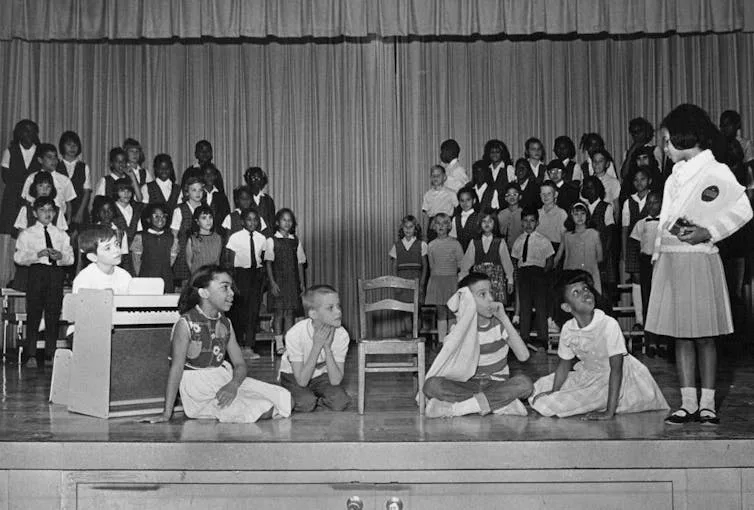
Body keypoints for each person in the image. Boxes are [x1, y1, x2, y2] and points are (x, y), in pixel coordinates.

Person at [647, 104, 752, 425]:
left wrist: (710, 231)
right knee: (681, 335)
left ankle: (707, 403)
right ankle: (687, 401)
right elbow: (666, 220)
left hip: (701, 260)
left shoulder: (715, 170)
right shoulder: (672, 177)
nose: (664, 148)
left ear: (683, 137)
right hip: (673, 261)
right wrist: (658, 254)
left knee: (705, 335)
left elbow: (744, 208)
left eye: (666, 141)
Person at [146, 265, 291, 423]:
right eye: (225, 288)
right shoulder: (185, 323)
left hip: (224, 378)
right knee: (265, 408)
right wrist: (167, 413)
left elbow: (240, 365)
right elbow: (176, 369)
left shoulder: (226, 323)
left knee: (286, 398)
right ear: (204, 292)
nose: (232, 293)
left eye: (231, 288)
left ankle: (243, 400)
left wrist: (233, 385)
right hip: (200, 389)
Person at [530, 270, 668, 418]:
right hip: (590, 375)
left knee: (552, 405)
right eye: (576, 293)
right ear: (567, 307)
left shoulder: (608, 324)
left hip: (620, 380)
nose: (585, 293)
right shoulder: (568, 329)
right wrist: (554, 390)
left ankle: (609, 403)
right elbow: (564, 365)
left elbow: (617, 369)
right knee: (540, 387)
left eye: (585, 289)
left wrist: (609, 412)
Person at [423, 272, 533, 418]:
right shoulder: (459, 329)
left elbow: (524, 356)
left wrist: (504, 318)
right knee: (431, 385)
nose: (490, 299)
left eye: (491, 293)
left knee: (525, 384)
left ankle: (459, 409)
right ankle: (498, 404)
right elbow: (447, 363)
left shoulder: (499, 324)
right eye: (482, 294)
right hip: (467, 384)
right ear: (467, 300)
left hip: (496, 384)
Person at [13, 196, 74, 367]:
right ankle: (31, 355)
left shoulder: (61, 234)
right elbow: (18, 257)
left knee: (53, 314)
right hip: (36, 273)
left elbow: (70, 258)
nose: (47, 214)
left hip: (55, 273)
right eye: (42, 210)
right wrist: (36, 255)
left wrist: (60, 256)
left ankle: (50, 355)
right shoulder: (27, 233)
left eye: (50, 210)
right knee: (34, 313)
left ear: (55, 213)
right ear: (34, 213)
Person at [278, 285, 351, 412]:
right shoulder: (295, 334)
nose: (338, 311)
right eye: (330, 308)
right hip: (294, 376)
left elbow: (335, 381)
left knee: (340, 402)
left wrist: (327, 348)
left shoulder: (342, 335)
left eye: (338, 306)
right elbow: (301, 381)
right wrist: (317, 346)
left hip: (320, 376)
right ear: (313, 313)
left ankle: (313, 398)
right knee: (306, 403)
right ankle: (297, 395)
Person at [225, 208, 267, 360]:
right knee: (238, 312)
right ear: (242, 221)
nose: (252, 222)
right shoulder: (235, 238)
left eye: (255, 220)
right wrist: (232, 281)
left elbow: (264, 259)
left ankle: (249, 346)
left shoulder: (262, 238)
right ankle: (237, 347)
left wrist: (263, 280)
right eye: (249, 219)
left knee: (252, 312)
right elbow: (229, 261)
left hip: (255, 276)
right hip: (239, 275)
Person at [511, 207, 554, 352]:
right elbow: (515, 260)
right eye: (525, 221)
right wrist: (517, 275)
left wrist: (543, 273)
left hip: (538, 273)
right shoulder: (518, 241)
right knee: (525, 306)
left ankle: (542, 339)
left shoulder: (543, 240)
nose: (528, 224)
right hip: (523, 274)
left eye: (532, 221)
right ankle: (524, 338)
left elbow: (549, 259)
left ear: (537, 223)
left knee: (541, 307)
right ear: (521, 223)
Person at [265, 208, 307, 355]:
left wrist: (301, 283)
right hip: (278, 281)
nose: (287, 222)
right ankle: (279, 343)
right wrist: (272, 283)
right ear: (277, 222)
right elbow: (268, 263)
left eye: (290, 220)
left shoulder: (295, 241)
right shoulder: (271, 240)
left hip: (292, 282)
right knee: (279, 313)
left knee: (290, 313)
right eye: (284, 219)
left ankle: (289, 344)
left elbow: (300, 263)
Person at [630, 191, 663, 357]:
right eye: (648, 203)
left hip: (662, 263)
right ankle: (650, 342)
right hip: (646, 264)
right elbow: (635, 246)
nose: (651, 206)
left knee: (662, 302)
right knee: (648, 300)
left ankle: (664, 342)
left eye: (655, 202)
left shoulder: (667, 223)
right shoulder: (640, 223)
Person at [459, 211, 514, 304]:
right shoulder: (474, 242)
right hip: (479, 282)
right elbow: (465, 265)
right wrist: (462, 281)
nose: (487, 224)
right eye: (484, 221)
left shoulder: (500, 242)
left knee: (495, 309)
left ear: (495, 223)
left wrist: (510, 280)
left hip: (496, 282)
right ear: (479, 224)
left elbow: (507, 263)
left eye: (490, 221)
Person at [425, 213, 464, 343]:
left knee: (452, 311)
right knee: (440, 311)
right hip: (437, 281)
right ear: (434, 226)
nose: (441, 226)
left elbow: (461, 264)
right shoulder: (430, 245)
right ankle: (443, 341)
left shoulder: (455, 244)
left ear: (449, 226)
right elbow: (431, 266)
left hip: (451, 281)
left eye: (444, 223)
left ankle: (453, 341)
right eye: (438, 223)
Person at [389, 214, 428, 333]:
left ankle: (417, 338)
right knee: (405, 311)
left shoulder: (422, 244)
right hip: (402, 282)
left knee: (417, 311)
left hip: (416, 280)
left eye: (411, 227)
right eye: (405, 227)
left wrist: (421, 284)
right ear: (402, 228)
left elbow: (425, 266)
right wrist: (396, 284)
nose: (408, 229)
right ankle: (409, 338)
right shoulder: (397, 245)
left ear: (415, 229)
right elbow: (394, 266)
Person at [20, 143, 76, 224]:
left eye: (55, 157)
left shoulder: (64, 180)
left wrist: (68, 220)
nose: (54, 160)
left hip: (58, 220)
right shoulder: (31, 178)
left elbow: (68, 203)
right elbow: (27, 201)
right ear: (40, 160)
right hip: (36, 221)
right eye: (49, 157)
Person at [554, 202, 603, 293]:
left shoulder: (594, 234)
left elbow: (600, 257)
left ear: (587, 215)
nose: (579, 217)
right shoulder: (567, 236)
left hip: (590, 274)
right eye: (576, 214)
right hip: (572, 274)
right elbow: (558, 256)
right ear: (571, 216)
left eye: (582, 214)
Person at [581, 175, 617, 298]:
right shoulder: (581, 208)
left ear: (598, 189)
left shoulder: (606, 207)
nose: (589, 190)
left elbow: (610, 233)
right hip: (585, 255)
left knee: (604, 290)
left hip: (602, 255)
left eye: (592, 188)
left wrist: (604, 255)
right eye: (586, 188)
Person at [72, 224, 133, 294]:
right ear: (93, 257)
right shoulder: (84, 280)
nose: (116, 250)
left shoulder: (124, 276)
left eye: (116, 244)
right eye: (108, 248)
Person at [131, 203, 178, 293]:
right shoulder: (140, 237)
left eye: (163, 216)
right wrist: (141, 278)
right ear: (148, 219)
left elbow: (172, 259)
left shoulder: (171, 238)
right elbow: (136, 261)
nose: (160, 219)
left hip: (166, 278)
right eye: (156, 216)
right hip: (146, 278)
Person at [170, 175, 206, 286]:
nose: (197, 193)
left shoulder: (206, 209)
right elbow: (174, 234)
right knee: (186, 286)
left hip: (202, 253)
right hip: (184, 254)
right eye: (194, 190)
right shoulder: (179, 210)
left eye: (200, 190)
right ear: (187, 192)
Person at [621, 167, 652, 285]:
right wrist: (625, 252)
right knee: (637, 278)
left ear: (649, 181)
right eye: (636, 180)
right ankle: (639, 303)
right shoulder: (628, 201)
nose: (639, 183)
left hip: (650, 242)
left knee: (650, 276)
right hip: (633, 245)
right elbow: (624, 228)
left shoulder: (654, 198)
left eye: (642, 179)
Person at [56, 131, 91, 227]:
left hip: (80, 210)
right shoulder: (56, 166)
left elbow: (86, 192)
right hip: (60, 210)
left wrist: (80, 212)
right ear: (62, 146)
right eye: (69, 144)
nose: (72, 148)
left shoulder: (84, 167)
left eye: (75, 145)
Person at [112, 177, 144, 275]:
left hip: (134, 254)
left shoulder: (136, 210)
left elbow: (139, 232)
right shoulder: (111, 210)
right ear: (116, 192)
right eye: (122, 191)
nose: (126, 193)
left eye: (129, 190)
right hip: (116, 252)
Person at [421, 165, 458, 241]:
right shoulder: (428, 194)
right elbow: (426, 216)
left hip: (446, 226)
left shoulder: (451, 193)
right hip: (433, 226)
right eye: (433, 176)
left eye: (438, 175)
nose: (435, 178)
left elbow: (458, 211)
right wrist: (424, 234)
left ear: (444, 177)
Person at [185, 205, 223, 275]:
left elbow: (217, 261)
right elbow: (189, 261)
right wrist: (195, 275)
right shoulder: (193, 239)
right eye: (204, 218)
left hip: (213, 275)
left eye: (210, 217)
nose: (208, 221)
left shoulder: (218, 237)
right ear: (197, 221)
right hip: (198, 276)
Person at [244, 166, 276, 231]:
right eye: (253, 178)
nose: (256, 180)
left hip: (266, 236)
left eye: (258, 178)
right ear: (248, 180)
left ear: (262, 180)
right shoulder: (244, 198)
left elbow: (272, 222)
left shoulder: (268, 200)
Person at [449, 186, 481, 251]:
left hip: (476, 252)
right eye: (462, 200)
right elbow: (453, 238)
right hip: (460, 253)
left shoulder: (479, 217)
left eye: (468, 200)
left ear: (474, 201)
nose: (465, 203)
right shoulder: (456, 219)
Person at [202, 163, 230, 230]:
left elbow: (226, 217)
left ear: (215, 176)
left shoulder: (221, 197)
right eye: (206, 174)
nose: (209, 176)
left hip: (218, 234)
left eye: (212, 174)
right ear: (202, 176)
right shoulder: (198, 194)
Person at [497, 182, 524, 253]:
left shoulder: (524, 214)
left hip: (520, 250)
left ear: (520, 197)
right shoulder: (501, 214)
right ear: (505, 198)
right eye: (508, 195)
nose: (512, 197)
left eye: (515, 194)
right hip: (503, 250)